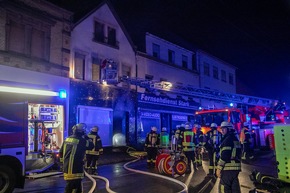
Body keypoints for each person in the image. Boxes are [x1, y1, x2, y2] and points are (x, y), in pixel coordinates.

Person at [59, 123, 94, 193]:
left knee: (70, 186)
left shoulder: (67, 139)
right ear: (82, 132)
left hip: (66, 169)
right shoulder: (81, 141)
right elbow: (91, 146)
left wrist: (63, 163)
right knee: (75, 188)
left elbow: (61, 153)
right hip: (76, 169)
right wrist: (86, 136)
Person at [216, 121, 242, 193]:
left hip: (228, 168)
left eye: (223, 129)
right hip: (236, 168)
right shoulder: (235, 139)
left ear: (229, 129)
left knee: (224, 188)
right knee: (235, 189)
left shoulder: (227, 139)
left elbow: (225, 155)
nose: (222, 131)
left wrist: (219, 168)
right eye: (221, 129)